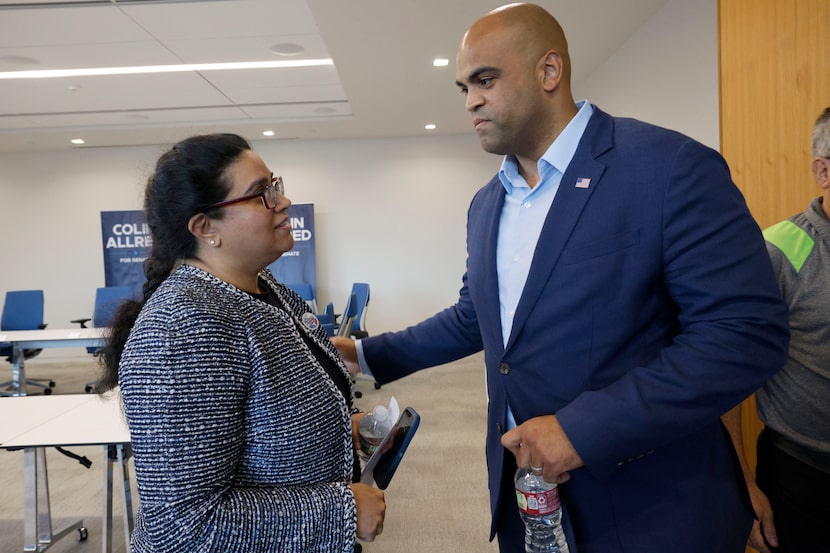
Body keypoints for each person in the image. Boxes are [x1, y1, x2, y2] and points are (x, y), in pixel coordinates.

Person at [331, 4, 790, 552]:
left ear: (550, 72)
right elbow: (478, 315)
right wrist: (364, 355)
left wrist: (582, 430)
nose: (472, 100)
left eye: (486, 79)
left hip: (651, 503)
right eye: (464, 87)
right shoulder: (487, 203)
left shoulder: (667, 169)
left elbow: (745, 335)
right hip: (527, 501)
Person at [96, 133, 385, 552]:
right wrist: (340, 510)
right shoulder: (184, 327)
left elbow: (273, 417)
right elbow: (184, 528)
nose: (282, 201)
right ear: (204, 227)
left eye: (274, 185)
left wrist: (344, 428)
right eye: (259, 195)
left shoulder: (263, 287)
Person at [723, 107, 830, 553]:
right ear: (823, 170)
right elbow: (723, 378)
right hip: (804, 479)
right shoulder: (777, 252)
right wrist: (742, 486)